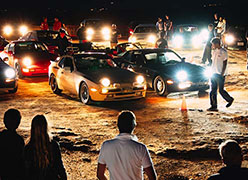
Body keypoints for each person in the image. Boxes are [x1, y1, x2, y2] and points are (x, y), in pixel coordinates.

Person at [97, 110, 157, 180]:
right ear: (134, 125)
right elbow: (152, 177)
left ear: (118, 125)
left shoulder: (106, 145)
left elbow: (100, 174)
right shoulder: (140, 148)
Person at [24, 115, 67, 180]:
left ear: (32, 128)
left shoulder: (28, 148)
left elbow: (26, 172)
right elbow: (59, 167)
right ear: (46, 127)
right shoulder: (54, 145)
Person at [207, 38, 234, 111]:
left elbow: (225, 63)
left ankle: (230, 99)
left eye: (213, 44)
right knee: (213, 90)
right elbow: (213, 61)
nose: (212, 45)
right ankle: (213, 106)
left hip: (220, 74)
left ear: (217, 44)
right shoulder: (214, 51)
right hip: (213, 73)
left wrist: (222, 73)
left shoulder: (223, 52)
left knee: (221, 90)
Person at [0, 109, 25, 180]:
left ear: (4, 121)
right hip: (16, 174)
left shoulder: (1, 137)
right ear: (18, 123)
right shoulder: (19, 140)